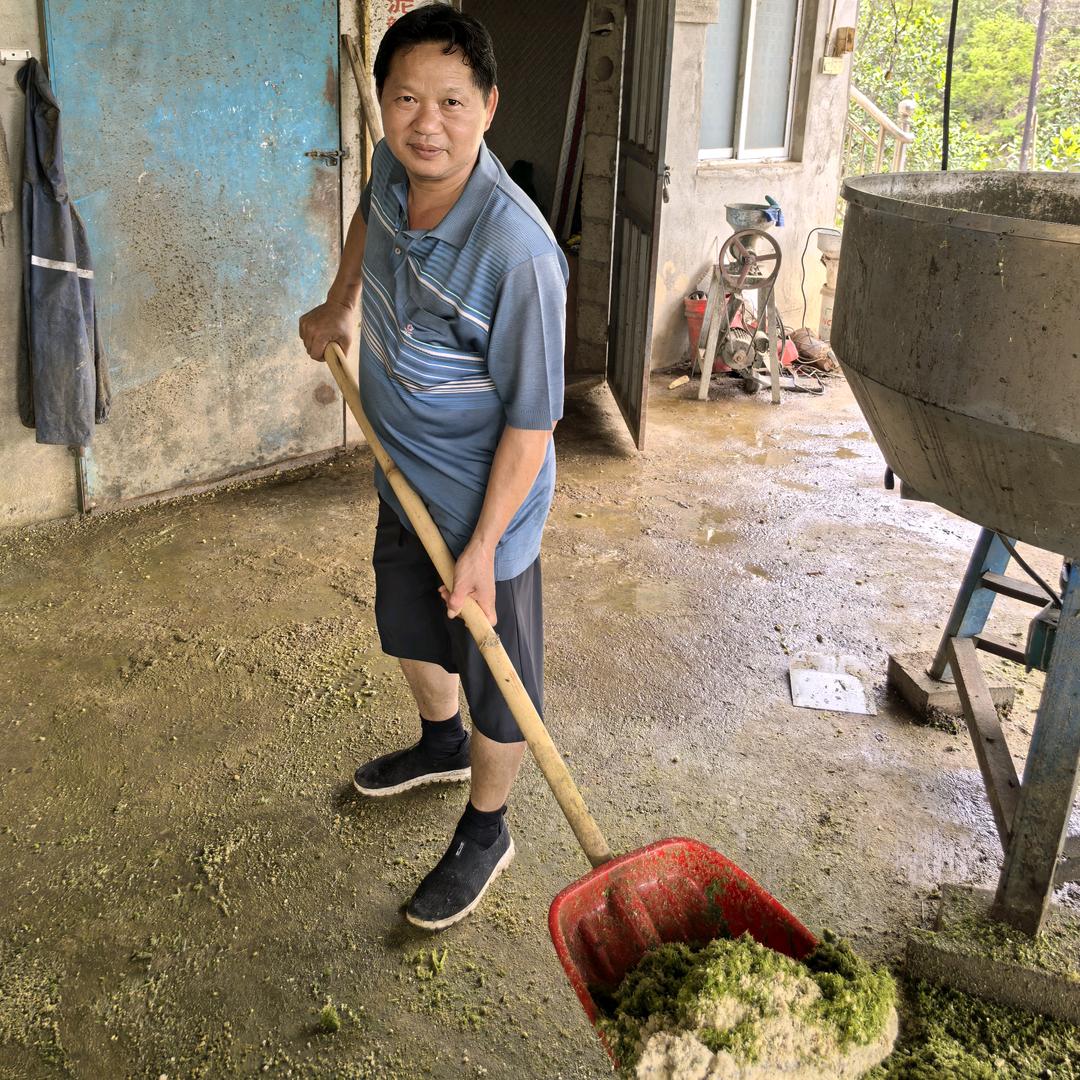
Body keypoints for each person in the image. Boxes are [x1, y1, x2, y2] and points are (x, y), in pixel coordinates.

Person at [299, 3, 567, 931]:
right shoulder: (391, 166)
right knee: (411, 629)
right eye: (407, 98)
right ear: (382, 105)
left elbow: (532, 424)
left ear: (489, 105)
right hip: (401, 473)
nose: (428, 123)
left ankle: (487, 828)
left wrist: (484, 546)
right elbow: (368, 223)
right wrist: (340, 304)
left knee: (501, 685)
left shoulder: (518, 255)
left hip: (487, 511)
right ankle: (440, 742)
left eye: (452, 101)